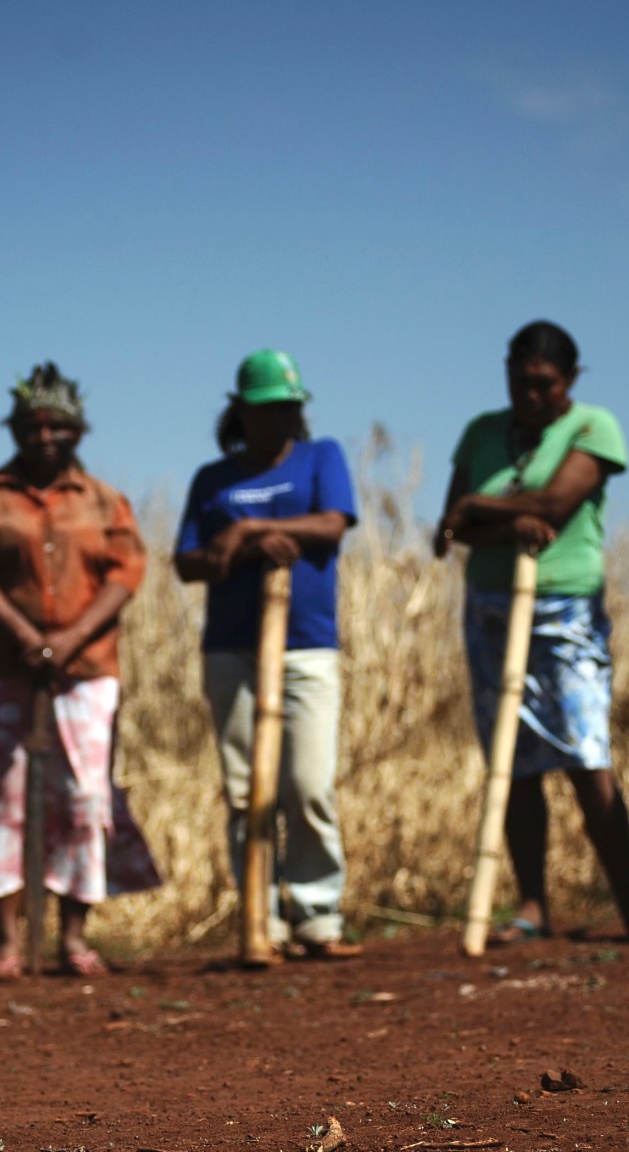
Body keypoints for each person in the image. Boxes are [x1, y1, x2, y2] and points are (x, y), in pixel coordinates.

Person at [436, 321, 629, 943]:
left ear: (569, 381)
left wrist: (483, 509)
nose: (531, 395)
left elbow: (555, 507)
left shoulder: (594, 427)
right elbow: (450, 528)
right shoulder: (482, 432)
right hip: (490, 603)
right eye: (520, 382)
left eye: (545, 384)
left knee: (585, 752)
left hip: (565, 606)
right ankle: (532, 904)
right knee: (510, 762)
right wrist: (500, 519)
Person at [0, 362, 161, 979]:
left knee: (85, 795)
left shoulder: (103, 501)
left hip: (86, 671)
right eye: (32, 428)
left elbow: (124, 574)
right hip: (4, 669)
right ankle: (8, 942)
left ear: (76, 432)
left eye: (56, 428)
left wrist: (67, 638)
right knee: (2, 797)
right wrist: (25, 636)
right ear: (16, 430)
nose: (44, 439)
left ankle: (73, 937)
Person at [175, 349, 362, 960]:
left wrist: (248, 532)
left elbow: (332, 526)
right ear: (241, 413)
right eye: (265, 410)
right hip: (232, 648)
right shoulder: (213, 478)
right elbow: (187, 561)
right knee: (243, 788)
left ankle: (316, 913)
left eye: (287, 408)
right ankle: (263, 915)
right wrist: (229, 553)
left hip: (306, 645)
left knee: (307, 782)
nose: (278, 419)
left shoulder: (321, 457)